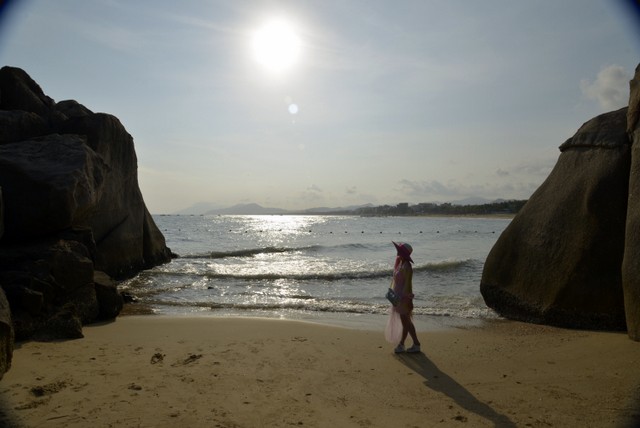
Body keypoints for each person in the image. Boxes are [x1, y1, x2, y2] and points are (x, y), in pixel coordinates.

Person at [390, 241, 421, 354]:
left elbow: (408, 285)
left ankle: (403, 344)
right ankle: (415, 344)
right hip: (398, 297)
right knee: (406, 321)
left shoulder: (407, 266)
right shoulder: (400, 263)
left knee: (406, 322)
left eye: (400, 251)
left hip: (403, 298)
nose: (397, 252)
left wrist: (409, 300)